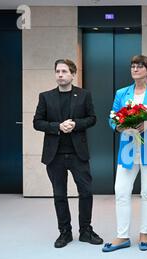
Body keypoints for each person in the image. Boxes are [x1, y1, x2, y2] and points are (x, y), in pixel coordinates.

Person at [103, 55, 147, 252]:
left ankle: (145, 234)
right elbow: (112, 117)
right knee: (121, 190)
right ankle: (122, 236)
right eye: (133, 66)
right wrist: (118, 127)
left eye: (140, 66)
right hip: (128, 146)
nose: (135, 69)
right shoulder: (122, 93)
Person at [33, 59, 103, 248]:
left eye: (64, 71)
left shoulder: (83, 95)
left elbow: (92, 118)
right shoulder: (45, 96)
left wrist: (75, 124)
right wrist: (57, 126)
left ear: (73, 74)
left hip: (77, 154)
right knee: (59, 195)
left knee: (86, 192)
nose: (60, 75)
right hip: (54, 155)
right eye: (57, 71)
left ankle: (86, 231)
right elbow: (37, 122)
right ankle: (65, 232)